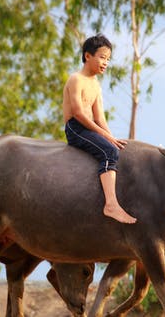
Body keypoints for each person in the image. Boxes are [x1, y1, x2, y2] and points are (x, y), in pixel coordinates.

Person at [63, 34, 137, 224]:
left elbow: (100, 118)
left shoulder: (96, 85)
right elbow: (78, 114)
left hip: (91, 128)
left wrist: (112, 137)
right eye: (102, 57)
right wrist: (106, 139)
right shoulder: (76, 79)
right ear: (88, 56)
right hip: (76, 128)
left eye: (108, 59)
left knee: (117, 147)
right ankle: (111, 204)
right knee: (109, 150)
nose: (106, 63)